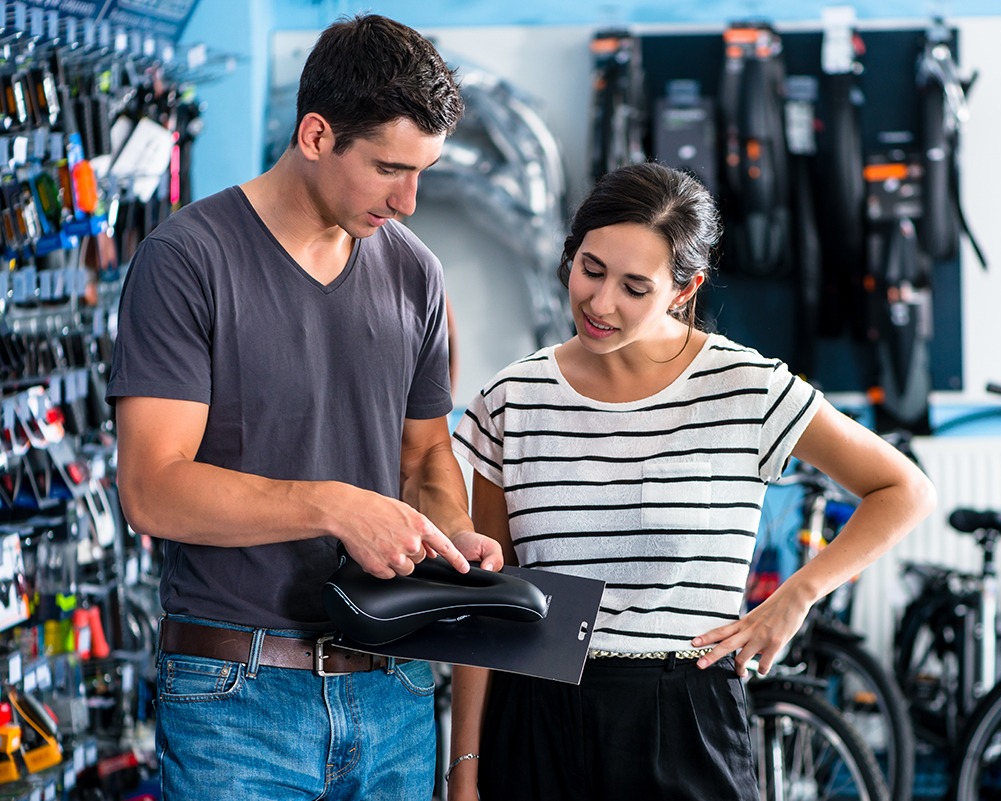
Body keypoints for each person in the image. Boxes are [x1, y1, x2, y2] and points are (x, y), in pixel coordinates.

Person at [105, 14, 502, 801]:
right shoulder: (188, 261)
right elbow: (152, 488)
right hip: (237, 699)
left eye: (422, 170)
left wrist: (450, 532)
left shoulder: (416, 273)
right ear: (316, 135)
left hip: (394, 692)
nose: (410, 199)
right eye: (391, 167)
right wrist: (335, 507)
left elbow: (423, 456)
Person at [448, 161, 936, 800]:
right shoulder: (513, 399)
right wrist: (465, 768)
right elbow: (492, 599)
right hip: (538, 717)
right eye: (590, 270)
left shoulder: (745, 388)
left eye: (634, 286)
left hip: (683, 712)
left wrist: (797, 595)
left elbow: (904, 490)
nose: (600, 303)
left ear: (684, 289)